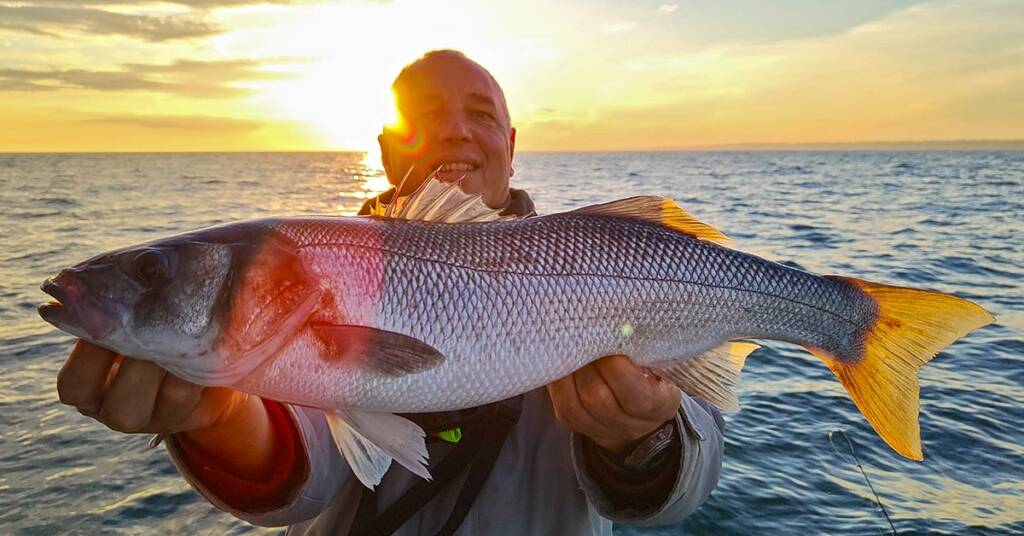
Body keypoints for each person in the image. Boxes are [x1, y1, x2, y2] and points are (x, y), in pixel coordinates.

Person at [55, 50, 725, 535]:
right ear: (385, 150)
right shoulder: (317, 282)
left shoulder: (610, 264)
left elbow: (689, 481)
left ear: (511, 144)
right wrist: (218, 421)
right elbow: (307, 475)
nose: (456, 130)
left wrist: (646, 440)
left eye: (481, 114)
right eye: (426, 116)